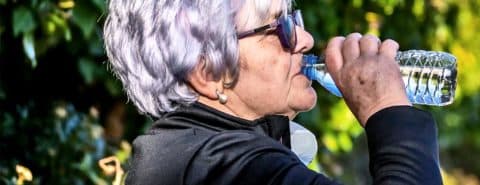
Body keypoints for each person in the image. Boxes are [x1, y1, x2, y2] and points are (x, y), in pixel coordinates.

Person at [103, 0, 443, 184]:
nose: (305, 39)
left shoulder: (187, 155)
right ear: (208, 73)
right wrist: (388, 109)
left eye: (294, 18)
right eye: (279, 27)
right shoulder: (225, 167)